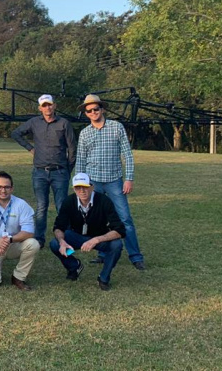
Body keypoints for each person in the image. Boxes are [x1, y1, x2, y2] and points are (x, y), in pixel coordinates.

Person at [75, 94, 145, 270]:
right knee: (98, 219)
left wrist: (129, 178)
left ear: (102, 109)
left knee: (124, 219)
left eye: (95, 109)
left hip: (114, 180)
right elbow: (81, 160)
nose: (93, 112)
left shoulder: (116, 127)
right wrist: (79, 184)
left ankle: (135, 256)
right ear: (85, 113)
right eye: (89, 110)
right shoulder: (84, 133)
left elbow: (127, 155)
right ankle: (103, 253)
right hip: (93, 182)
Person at [11, 94, 76, 248]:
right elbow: (16, 133)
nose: (47, 108)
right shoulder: (34, 122)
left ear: (55, 105)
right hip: (39, 172)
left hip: (60, 172)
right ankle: (39, 239)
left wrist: (68, 170)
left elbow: (72, 148)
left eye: (50, 104)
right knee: (41, 206)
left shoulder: (64, 123)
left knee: (62, 206)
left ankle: (64, 239)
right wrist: (30, 148)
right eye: (44, 105)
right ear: (40, 108)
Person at [50, 173, 126, 291]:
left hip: (99, 238)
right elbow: (58, 227)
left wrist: (96, 240)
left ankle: (104, 277)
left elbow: (120, 230)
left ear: (92, 187)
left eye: (85, 187)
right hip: (76, 237)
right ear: (74, 189)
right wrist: (62, 241)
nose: (82, 191)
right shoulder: (69, 201)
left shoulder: (104, 201)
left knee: (116, 245)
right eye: (78, 188)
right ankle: (74, 266)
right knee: (55, 244)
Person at [0, 172, 39, 290]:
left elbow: (29, 232)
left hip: (12, 244)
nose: (3, 190)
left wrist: (8, 240)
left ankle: (18, 277)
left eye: (6, 187)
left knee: (33, 244)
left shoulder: (21, 204)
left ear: (12, 188)